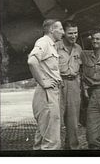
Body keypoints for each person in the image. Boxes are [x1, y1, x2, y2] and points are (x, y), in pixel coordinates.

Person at [27, 19, 64, 150]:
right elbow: (32, 61)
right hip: (47, 93)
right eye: (60, 29)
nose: (63, 32)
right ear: (51, 30)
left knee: (43, 136)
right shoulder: (44, 42)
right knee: (51, 140)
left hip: (48, 92)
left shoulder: (51, 45)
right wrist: (43, 81)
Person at [55, 20, 82, 149]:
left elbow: (81, 68)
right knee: (57, 121)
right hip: (59, 85)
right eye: (70, 33)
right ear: (64, 33)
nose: (73, 36)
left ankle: (72, 150)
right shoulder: (55, 46)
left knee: (73, 123)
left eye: (75, 32)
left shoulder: (78, 48)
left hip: (74, 84)